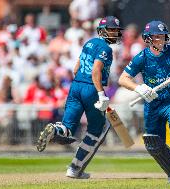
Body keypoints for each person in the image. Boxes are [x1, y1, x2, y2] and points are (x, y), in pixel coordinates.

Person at [36, 16, 123, 179]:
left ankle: (54, 129)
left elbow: (76, 68)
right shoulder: (106, 48)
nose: (116, 34)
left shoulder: (89, 43)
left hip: (75, 85)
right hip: (91, 88)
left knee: (67, 127)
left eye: (116, 31)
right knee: (100, 128)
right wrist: (100, 94)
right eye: (112, 30)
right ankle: (75, 168)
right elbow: (96, 71)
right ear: (103, 31)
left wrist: (81, 86)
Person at [118, 20, 170, 184]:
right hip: (152, 104)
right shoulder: (141, 57)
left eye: (162, 36)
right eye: (156, 37)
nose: (160, 40)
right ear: (148, 38)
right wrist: (139, 88)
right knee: (153, 143)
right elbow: (123, 79)